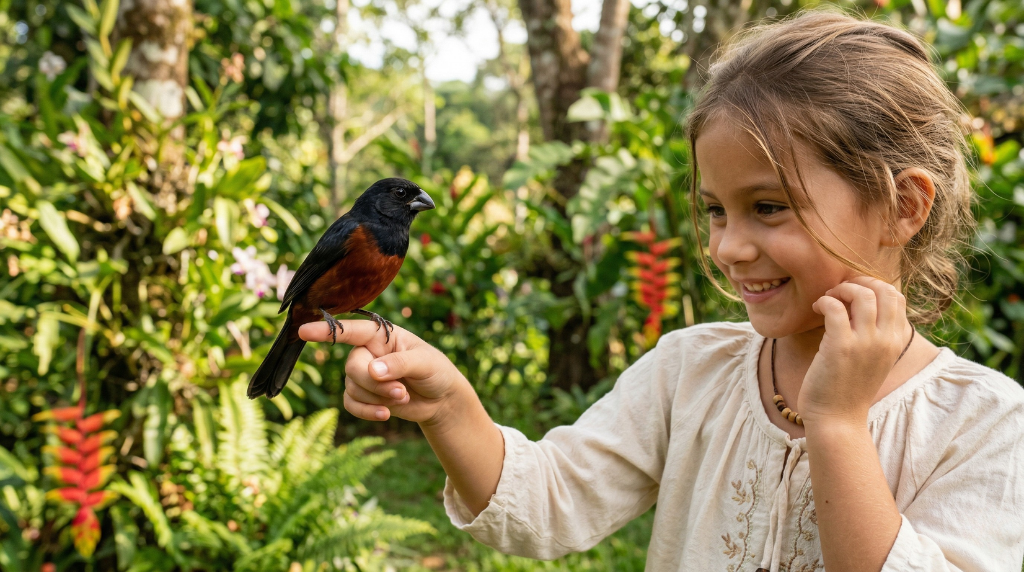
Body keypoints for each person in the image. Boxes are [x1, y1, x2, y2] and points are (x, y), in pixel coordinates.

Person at [297, 9, 1024, 571]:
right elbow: (548, 503)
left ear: (903, 206)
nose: (726, 246)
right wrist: (449, 402)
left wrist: (834, 423)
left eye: (768, 207)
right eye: (715, 209)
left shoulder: (986, 426)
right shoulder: (690, 372)